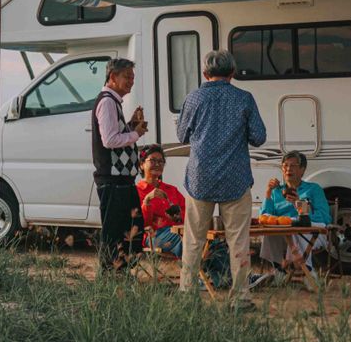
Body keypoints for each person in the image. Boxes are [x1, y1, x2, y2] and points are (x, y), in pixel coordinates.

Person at [176, 49, 267, 309]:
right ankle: (240, 298)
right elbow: (258, 137)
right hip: (235, 177)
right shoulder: (244, 98)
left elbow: (183, 135)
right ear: (233, 73)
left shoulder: (193, 98)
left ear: (205, 73)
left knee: (194, 239)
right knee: (237, 239)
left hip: (200, 177)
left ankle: (187, 295)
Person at [91, 57, 148, 272]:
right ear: (113, 77)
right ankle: (111, 273)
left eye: (132, 77)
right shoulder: (107, 102)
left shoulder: (113, 102)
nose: (131, 81)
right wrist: (136, 133)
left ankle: (119, 270)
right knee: (115, 231)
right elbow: (110, 140)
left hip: (121, 178)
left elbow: (114, 135)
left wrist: (131, 125)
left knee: (129, 228)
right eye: (127, 77)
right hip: (113, 178)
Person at [258, 150, 332, 275]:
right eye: (285, 166)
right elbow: (265, 216)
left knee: (299, 229)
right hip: (284, 234)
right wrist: (268, 192)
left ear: (302, 170)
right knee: (270, 232)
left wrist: (298, 203)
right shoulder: (277, 192)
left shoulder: (314, 189)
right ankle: (278, 269)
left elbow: (324, 217)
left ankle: (307, 269)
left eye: (293, 166)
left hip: (313, 233)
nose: (288, 169)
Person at [136, 144, 185, 257]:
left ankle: (216, 274)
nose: (157, 164)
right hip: (153, 236)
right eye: (152, 161)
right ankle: (192, 272)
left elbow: (188, 212)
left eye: (161, 161)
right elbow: (140, 225)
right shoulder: (136, 191)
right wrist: (146, 201)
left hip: (178, 231)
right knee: (187, 240)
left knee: (212, 242)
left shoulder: (171, 190)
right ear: (141, 165)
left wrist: (178, 217)